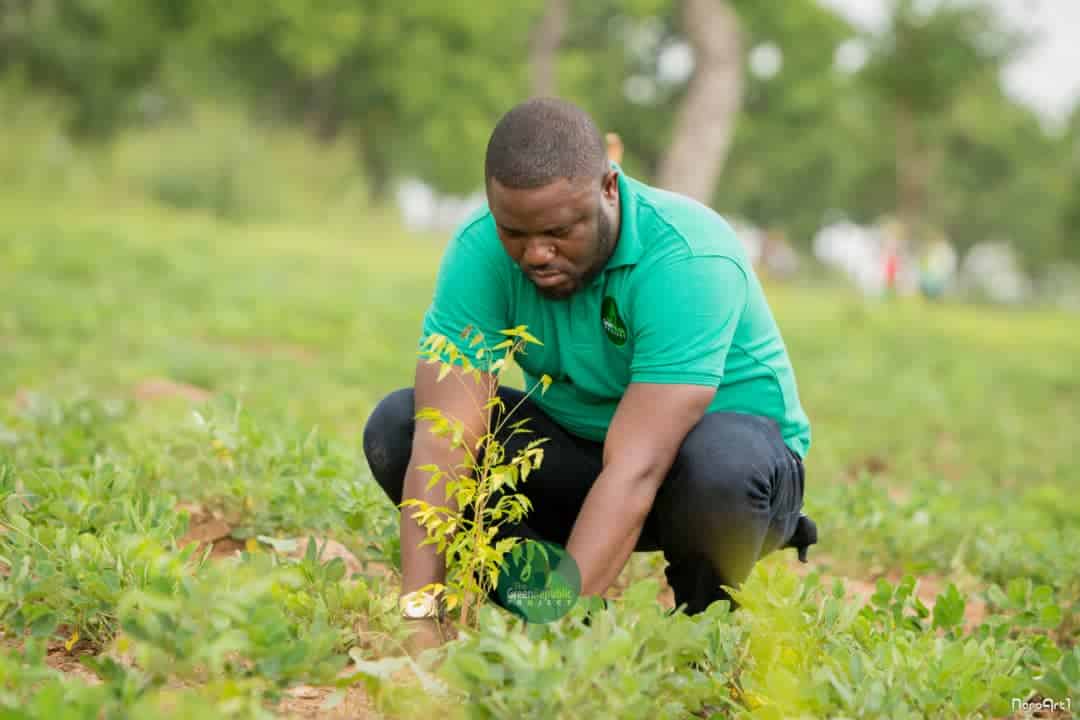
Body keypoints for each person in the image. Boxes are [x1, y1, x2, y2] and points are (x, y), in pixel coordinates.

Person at [362, 98, 817, 655]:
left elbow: (637, 466)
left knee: (718, 471)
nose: (535, 253)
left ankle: (701, 637)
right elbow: (442, 440)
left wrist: (547, 651)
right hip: (586, 457)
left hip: (721, 476)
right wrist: (420, 613)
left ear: (608, 187)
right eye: (515, 232)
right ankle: (546, 606)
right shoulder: (479, 250)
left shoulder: (687, 255)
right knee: (400, 427)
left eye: (559, 230)